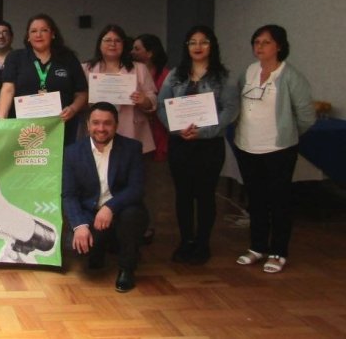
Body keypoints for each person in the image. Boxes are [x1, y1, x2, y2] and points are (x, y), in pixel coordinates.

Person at [233, 24, 316, 274]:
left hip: (278, 149)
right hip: (247, 146)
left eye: (266, 42)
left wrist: (287, 133)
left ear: (279, 46)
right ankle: (257, 246)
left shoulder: (291, 76)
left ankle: (279, 251)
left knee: (279, 201)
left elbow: (306, 116)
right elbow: (238, 102)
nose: (259, 47)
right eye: (256, 42)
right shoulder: (249, 71)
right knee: (256, 199)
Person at [157, 25, 239, 265]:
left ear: (212, 46)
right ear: (187, 47)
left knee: (205, 195)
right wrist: (176, 129)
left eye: (203, 42)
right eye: (192, 42)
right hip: (180, 143)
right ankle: (186, 241)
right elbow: (162, 105)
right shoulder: (175, 75)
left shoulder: (223, 77)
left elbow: (230, 110)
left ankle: (203, 243)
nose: (198, 47)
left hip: (209, 145)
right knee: (183, 195)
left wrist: (204, 132)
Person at [63, 102, 148, 293]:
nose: (101, 128)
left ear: (116, 125)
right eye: (96, 123)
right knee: (83, 252)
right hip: (91, 214)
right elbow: (69, 195)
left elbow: (137, 188)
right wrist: (79, 225)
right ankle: (101, 248)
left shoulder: (132, 148)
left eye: (107, 123)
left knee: (132, 216)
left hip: (122, 211)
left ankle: (127, 269)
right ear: (87, 125)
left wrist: (110, 207)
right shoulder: (72, 153)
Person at [0, 13, 88, 145]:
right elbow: (8, 89)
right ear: (28, 37)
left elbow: (82, 92)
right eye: (33, 31)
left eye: (44, 30)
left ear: (53, 34)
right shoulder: (16, 57)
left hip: (60, 127)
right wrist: (2, 120)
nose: (38, 35)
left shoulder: (68, 58)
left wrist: (73, 109)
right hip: (23, 129)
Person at [82, 25, 157, 154]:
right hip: (98, 132)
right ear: (99, 44)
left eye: (117, 40)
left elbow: (153, 99)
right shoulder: (86, 69)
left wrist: (144, 100)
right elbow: (78, 98)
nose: (112, 44)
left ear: (124, 44)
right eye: (108, 40)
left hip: (132, 131)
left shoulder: (139, 68)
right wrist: (86, 98)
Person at [131, 34, 170, 163]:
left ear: (150, 53)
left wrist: (147, 102)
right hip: (137, 128)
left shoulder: (166, 76)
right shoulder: (130, 72)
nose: (132, 52)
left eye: (137, 49)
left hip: (160, 128)